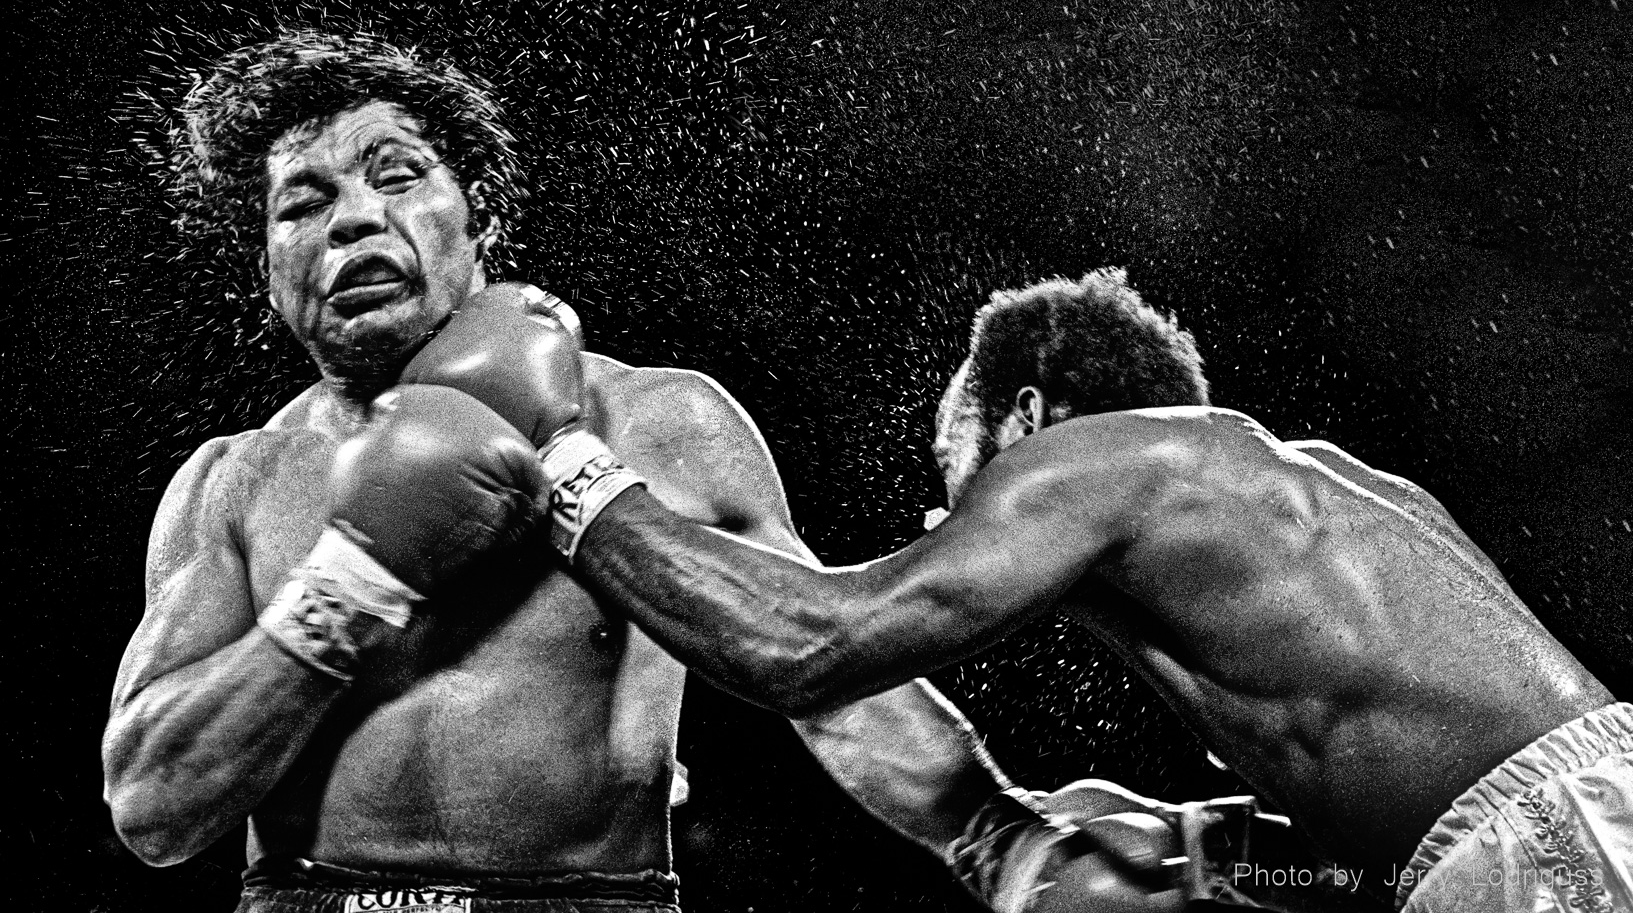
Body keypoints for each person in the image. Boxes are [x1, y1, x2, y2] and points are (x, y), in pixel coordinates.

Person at [100, 31, 1192, 913]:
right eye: (302, 202)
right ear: (271, 268)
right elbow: (153, 808)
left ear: (477, 221)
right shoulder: (234, 483)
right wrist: (351, 578)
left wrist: (993, 841)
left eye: (397, 175)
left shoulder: (663, 421)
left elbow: (813, 667)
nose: (353, 217)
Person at [533, 269, 1632, 913]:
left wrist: (563, 467)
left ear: (1019, 423)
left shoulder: (1088, 463)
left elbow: (807, 648)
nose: (950, 519)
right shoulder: (1309, 510)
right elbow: (1388, 834)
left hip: (1546, 845)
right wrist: (1207, 855)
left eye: (955, 471)